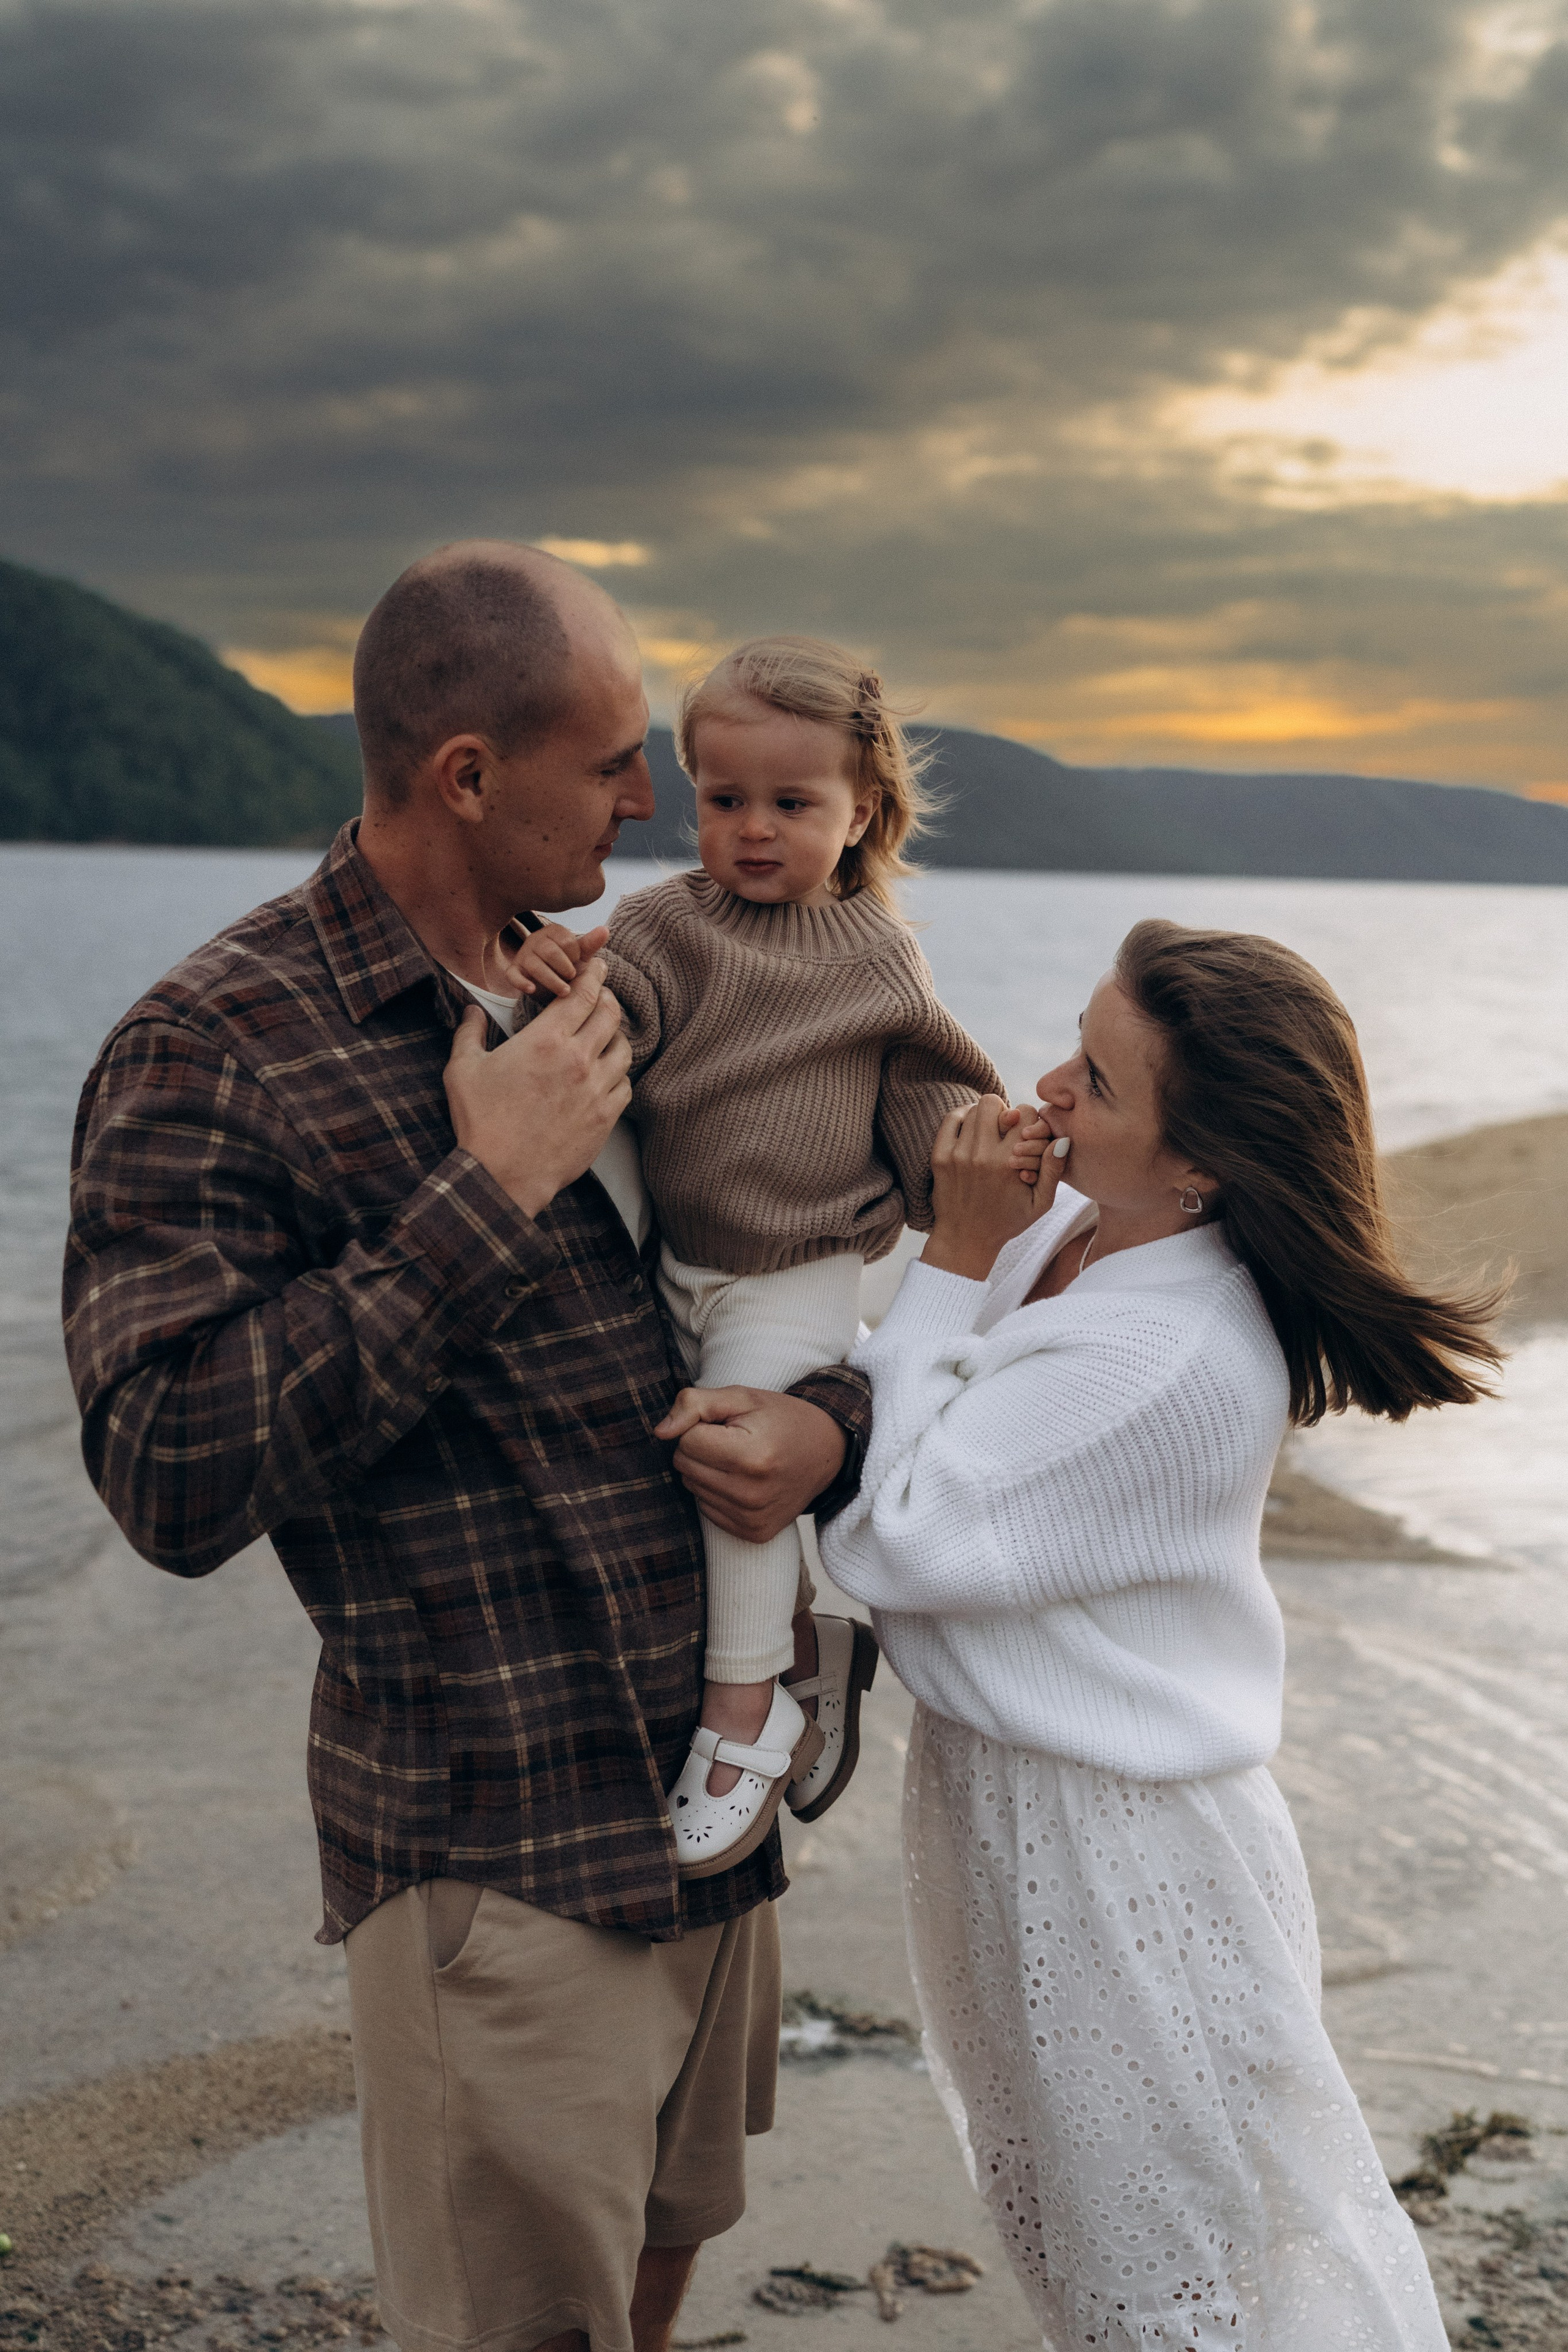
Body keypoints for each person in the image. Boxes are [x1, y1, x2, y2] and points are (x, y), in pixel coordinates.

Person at [62, 543, 873, 2352]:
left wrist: (826, 1428)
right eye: (607, 764)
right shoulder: (216, 1045)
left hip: (708, 1799)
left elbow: (778, 1277)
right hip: (497, 1850)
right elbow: (166, 1472)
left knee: (661, 2260)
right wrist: (485, 1189)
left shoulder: (602, 986)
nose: (648, 802)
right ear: (467, 776)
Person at [808, 918, 1501, 2348]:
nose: (1048, 1088)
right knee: (1075, 2228)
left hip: (1118, 1847)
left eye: (1100, 1085)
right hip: (1024, 1802)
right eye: (1074, 1044)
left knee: (1169, 2269)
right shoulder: (1077, 1234)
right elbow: (918, 1405)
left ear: (1203, 1167)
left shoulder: (1163, 1350)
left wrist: (947, 1254)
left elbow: (892, 1536)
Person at [506, 636, 1019, 1877]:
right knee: (661, 1453)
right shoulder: (664, 924)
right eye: (725, 799)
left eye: (792, 804)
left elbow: (931, 1090)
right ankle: (807, 1646)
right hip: (674, 1257)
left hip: (797, 1264)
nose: (751, 829)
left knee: (731, 1461)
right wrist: (548, 982)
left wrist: (982, 1158)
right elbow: (609, 1030)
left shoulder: (874, 958)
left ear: (861, 812)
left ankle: (744, 1715)